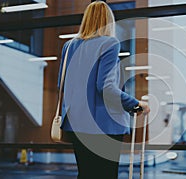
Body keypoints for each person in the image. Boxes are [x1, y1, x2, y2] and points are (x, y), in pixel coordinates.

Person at [57, 1, 150, 178]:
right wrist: (136, 103)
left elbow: (61, 86)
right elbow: (106, 88)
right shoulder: (109, 43)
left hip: (75, 124)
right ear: (108, 21)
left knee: (85, 174)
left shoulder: (68, 46)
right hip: (102, 125)